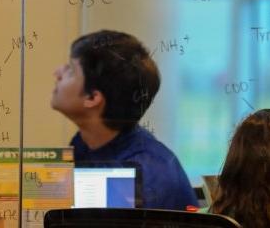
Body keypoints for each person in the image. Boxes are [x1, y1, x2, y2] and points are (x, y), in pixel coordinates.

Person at [50, 29, 198, 210]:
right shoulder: (84, 143)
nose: (57, 73)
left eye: (71, 70)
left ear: (92, 98)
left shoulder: (148, 172)